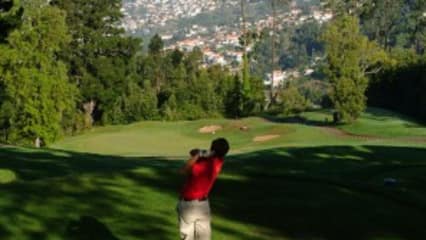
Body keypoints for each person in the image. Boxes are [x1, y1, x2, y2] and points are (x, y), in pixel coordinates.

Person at [177, 138, 230, 240]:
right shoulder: (219, 161)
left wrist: (199, 155)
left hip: (189, 205)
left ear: (212, 149)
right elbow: (192, 151)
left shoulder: (203, 164)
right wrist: (202, 153)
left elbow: (183, 171)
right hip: (203, 205)